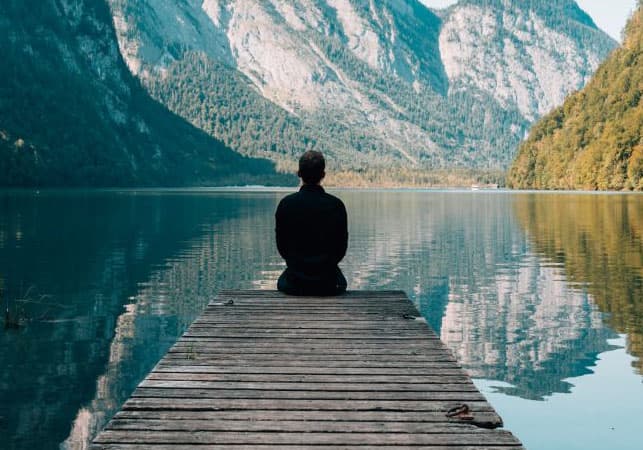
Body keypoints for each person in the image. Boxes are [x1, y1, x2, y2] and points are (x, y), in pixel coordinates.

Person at [275, 151, 348, 296]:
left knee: (283, 281)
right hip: (329, 284)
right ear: (323, 175)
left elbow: (282, 247)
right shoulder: (336, 205)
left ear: (299, 173)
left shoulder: (286, 204)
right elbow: (341, 248)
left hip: (294, 283)